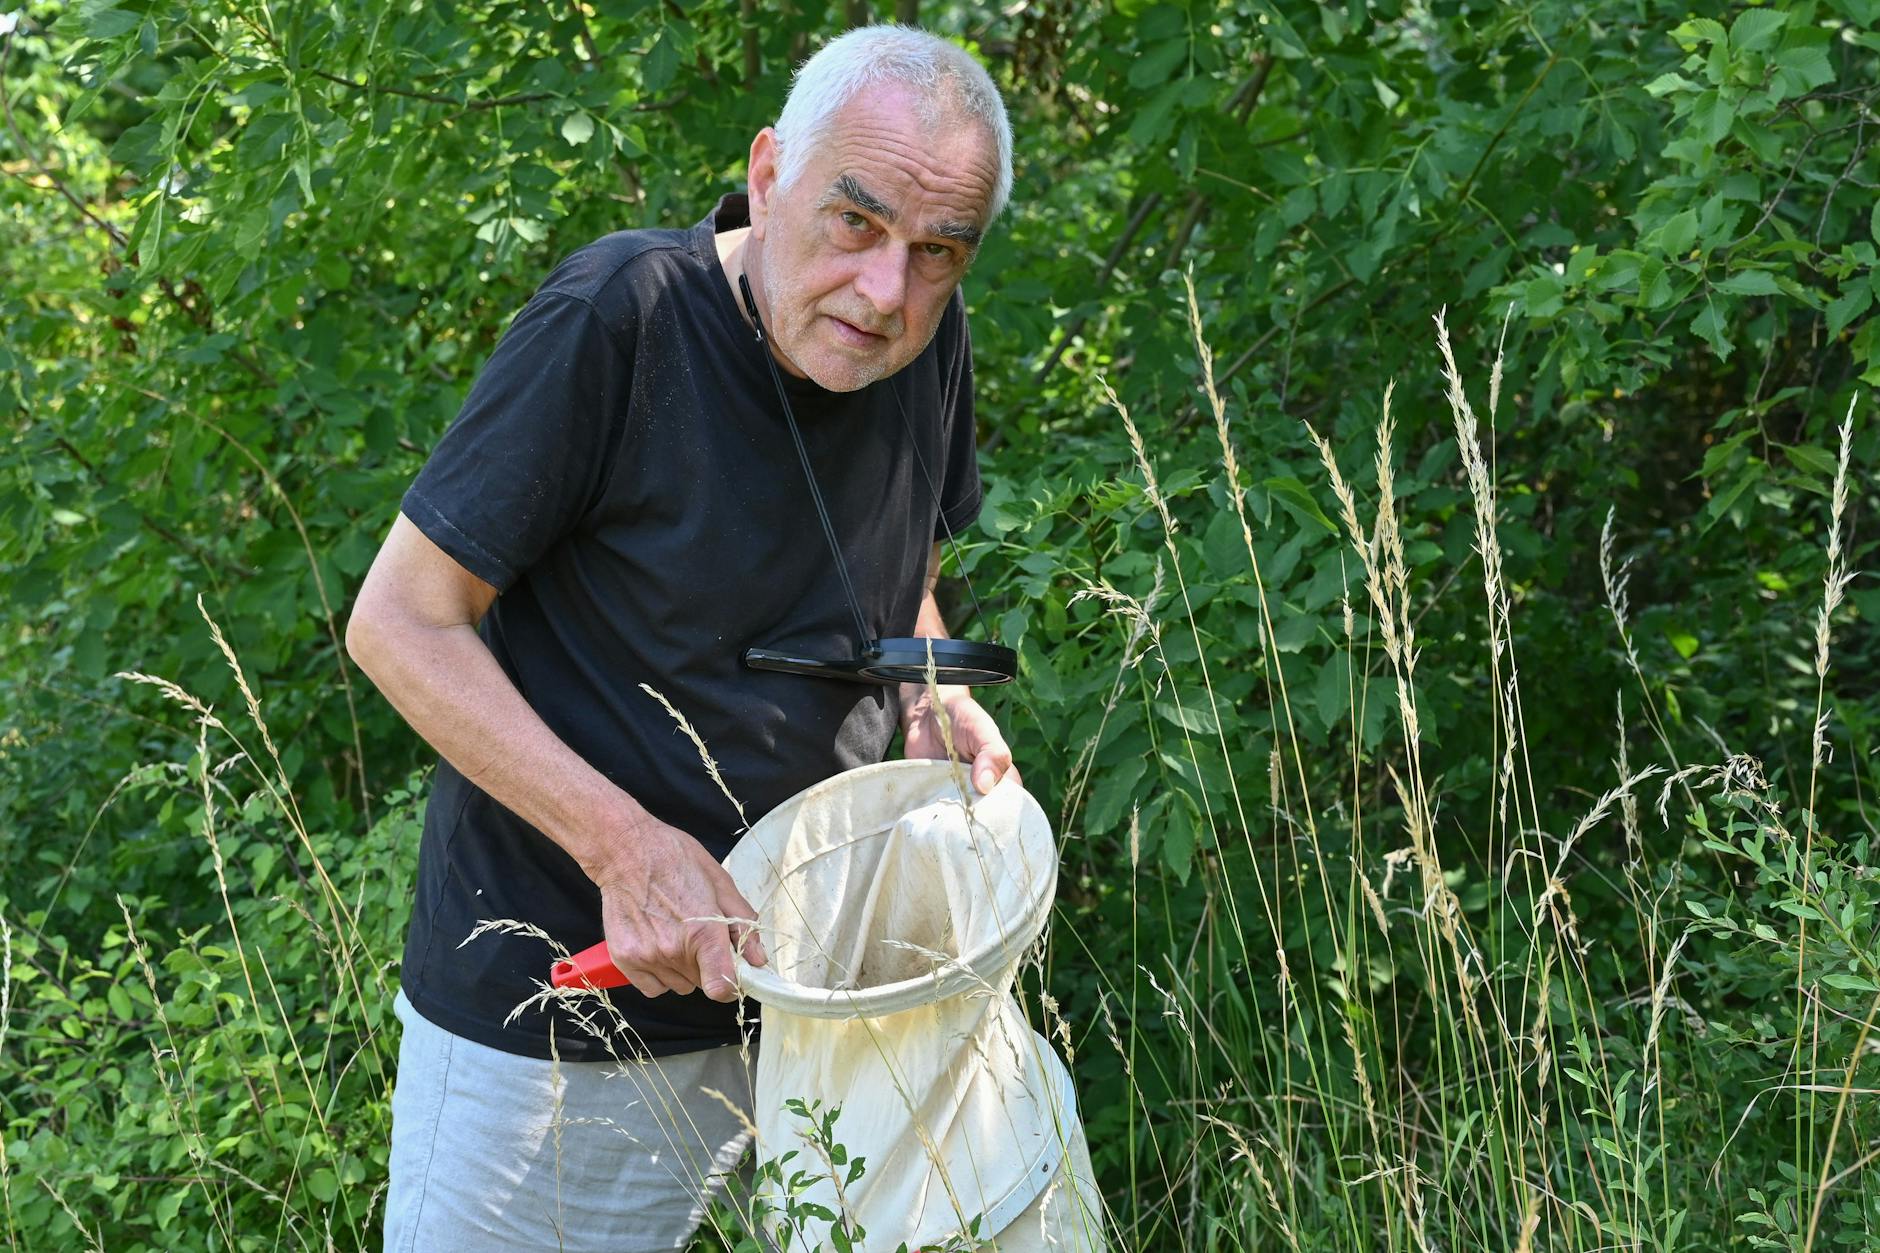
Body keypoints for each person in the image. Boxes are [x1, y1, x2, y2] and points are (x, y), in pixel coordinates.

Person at [344, 23, 1020, 1252]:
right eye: (854, 222)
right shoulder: (619, 318)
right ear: (767, 175)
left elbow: (905, 568)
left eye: (937, 251)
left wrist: (933, 692)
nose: (887, 291)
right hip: (564, 1022)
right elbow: (398, 621)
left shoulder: (925, 337)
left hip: (826, 1005)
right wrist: (625, 846)